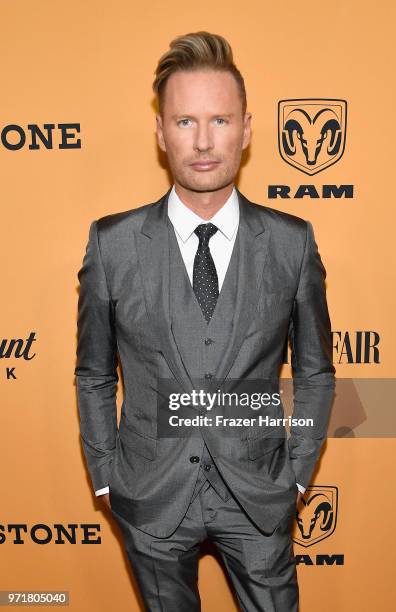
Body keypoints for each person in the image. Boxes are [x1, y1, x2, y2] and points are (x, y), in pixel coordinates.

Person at [74, 30, 336, 612]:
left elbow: (317, 374)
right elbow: (93, 372)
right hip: (149, 496)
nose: (203, 141)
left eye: (220, 120)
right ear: (161, 132)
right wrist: (106, 476)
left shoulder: (292, 243)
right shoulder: (112, 244)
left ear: (245, 130)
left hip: (259, 495)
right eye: (185, 121)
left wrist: (294, 477)